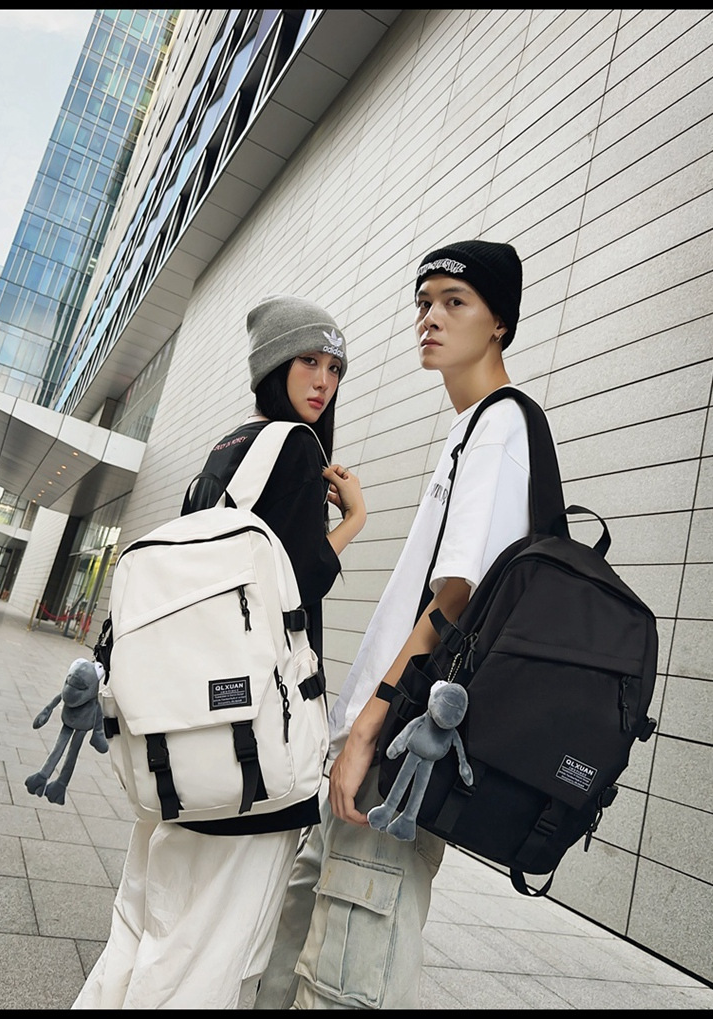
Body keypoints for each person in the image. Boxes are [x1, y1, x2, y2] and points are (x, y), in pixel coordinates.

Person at [254, 239, 549, 1010]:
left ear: (499, 322)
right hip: (383, 741)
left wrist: (366, 729)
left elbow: (458, 599)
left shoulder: (502, 425)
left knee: (346, 973)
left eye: (455, 301)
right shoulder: (470, 428)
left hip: (398, 749)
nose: (430, 318)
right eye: (424, 302)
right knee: (293, 947)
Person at [72, 293, 367, 1010]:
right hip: (253, 751)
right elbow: (298, 582)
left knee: (145, 931)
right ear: (274, 365)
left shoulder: (227, 452)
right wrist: (354, 519)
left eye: (334, 367)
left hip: (183, 743)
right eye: (308, 361)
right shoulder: (297, 447)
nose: (323, 380)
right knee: (209, 956)